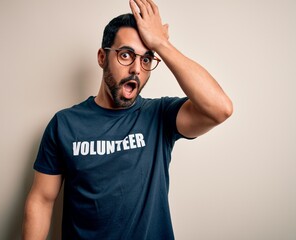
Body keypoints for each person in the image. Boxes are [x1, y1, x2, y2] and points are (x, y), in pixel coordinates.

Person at [22, 0, 233, 239]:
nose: (136, 69)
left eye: (146, 59)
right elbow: (41, 200)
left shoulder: (160, 116)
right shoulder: (65, 124)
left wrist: (161, 44)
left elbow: (220, 108)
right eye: (125, 55)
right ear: (102, 57)